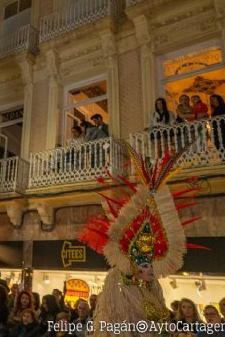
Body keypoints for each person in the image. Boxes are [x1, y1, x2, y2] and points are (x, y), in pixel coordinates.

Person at [78, 142, 204, 337]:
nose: (151, 270)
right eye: (146, 265)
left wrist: (176, 333)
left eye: (151, 265)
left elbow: (160, 325)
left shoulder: (152, 288)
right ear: (134, 266)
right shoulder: (117, 285)